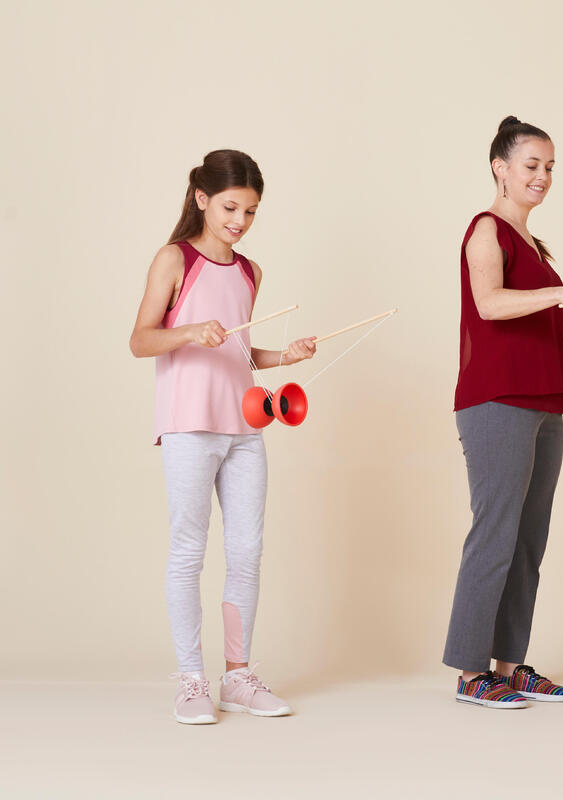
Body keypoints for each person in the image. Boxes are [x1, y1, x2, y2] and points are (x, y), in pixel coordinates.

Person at [130, 149, 316, 724]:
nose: (239, 220)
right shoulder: (173, 259)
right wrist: (188, 331)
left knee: (247, 552)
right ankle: (192, 679)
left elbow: (238, 350)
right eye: (231, 206)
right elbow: (140, 341)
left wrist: (283, 356)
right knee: (189, 550)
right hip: (188, 423)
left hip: (245, 425)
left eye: (252, 211)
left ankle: (238, 676)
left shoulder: (250, 272)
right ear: (202, 198)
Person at [443, 117, 563, 709]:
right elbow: (489, 305)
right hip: (496, 402)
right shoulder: (486, 230)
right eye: (530, 165)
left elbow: (524, 320)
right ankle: (470, 675)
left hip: (543, 401)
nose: (542, 176)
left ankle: (509, 666)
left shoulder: (534, 245)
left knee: (528, 539)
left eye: (549, 167)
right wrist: (562, 294)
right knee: (495, 535)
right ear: (500, 167)